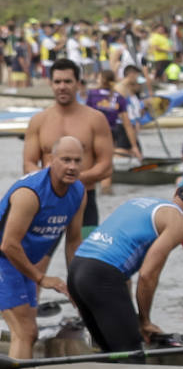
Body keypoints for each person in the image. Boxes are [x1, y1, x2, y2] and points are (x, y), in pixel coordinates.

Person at [67, 192, 183, 352]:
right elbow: (147, 275)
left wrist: (126, 316)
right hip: (100, 276)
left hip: (77, 268)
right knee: (131, 353)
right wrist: (145, 321)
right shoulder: (177, 222)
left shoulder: (142, 201)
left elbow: (123, 273)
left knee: (110, 353)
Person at [0, 137, 87, 359]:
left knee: (29, 330)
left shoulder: (79, 191)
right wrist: (41, 278)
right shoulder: (30, 194)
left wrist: (76, 285)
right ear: (50, 160)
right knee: (25, 332)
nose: (72, 167)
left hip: (21, 262)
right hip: (5, 257)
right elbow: (9, 244)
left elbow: (73, 241)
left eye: (77, 161)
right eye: (66, 160)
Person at [22, 58, 111, 238]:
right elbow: (28, 164)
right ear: (51, 84)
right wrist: (51, 182)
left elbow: (106, 166)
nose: (62, 86)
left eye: (68, 81)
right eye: (57, 81)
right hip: (48, 200)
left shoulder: (95, 119)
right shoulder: (39, 121)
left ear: (78, 84)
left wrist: (74, 179)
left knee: (86, 261)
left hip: (84, 198)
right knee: (37, 262)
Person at [84, 68, 141, 196]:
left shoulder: (92, 94)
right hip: (110, 134)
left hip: (92, 133)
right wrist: (134, 146)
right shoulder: (119, 97)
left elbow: (84, 116)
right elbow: (127, 125)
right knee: (105, 165)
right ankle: (106, 190)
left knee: (89, 164)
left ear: (101, 79)